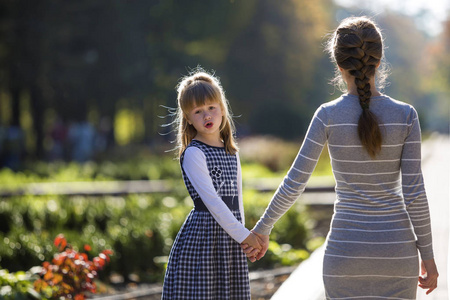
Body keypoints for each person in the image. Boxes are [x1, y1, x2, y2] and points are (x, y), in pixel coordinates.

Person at [243, 16, 438, 298]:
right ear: (379, 61)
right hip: (396, 254)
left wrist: (262, 230)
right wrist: (428, 257)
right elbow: (414, 193)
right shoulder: (406, 116)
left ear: (338, 64)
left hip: (344, 254)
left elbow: (295, 181)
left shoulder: (327, 115)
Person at [162, 69, 262, 300]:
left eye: (211, 108)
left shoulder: (231, 152)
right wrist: (245, 235)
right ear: (187, 118)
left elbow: (237, 200)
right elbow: (214, 203)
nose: (207, 116)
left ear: (222, 108)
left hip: (231, 236)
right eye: (198, 111)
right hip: (204, 238)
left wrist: (244, 239)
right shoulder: (194, 153)